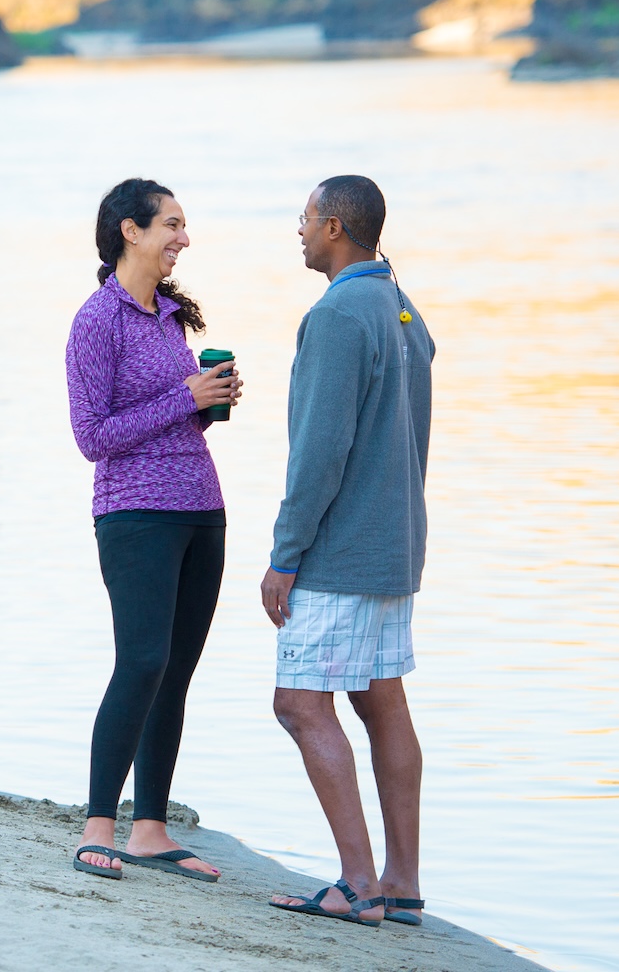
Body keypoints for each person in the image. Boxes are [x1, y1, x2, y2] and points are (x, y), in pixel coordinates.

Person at [262, 175, 436, 927]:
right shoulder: (404, 310)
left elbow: (319, 453)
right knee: (382, 701)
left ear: (334, 226)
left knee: (300, 704)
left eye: (304, 220)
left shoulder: (337, 315)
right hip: (396, 544)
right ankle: (399, 881)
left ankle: (358, 883)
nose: (297, 231)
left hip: (340, 550)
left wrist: (285, 554)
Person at [65, 178, 242, 882]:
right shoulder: (95, 319)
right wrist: (183, 398)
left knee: (174, 674)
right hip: (134, 513)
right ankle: (96, 828)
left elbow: (172, 416)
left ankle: (150, 830)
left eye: (184, 225)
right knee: (139, 662)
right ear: (130, 231)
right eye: (172, 224)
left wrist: (208, 402)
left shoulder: (171, 317)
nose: (183, 238)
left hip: (202, 507)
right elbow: (92, 437)